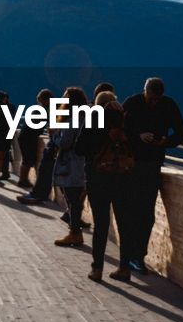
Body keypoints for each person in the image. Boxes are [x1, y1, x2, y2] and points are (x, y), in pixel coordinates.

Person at [121, 77, 183, 273]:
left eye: (156, 99)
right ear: (145, 91)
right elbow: (118, 129)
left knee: (146, 213)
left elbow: (182, 132)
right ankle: (130, 255)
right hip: (131, 163)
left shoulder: (168, 105)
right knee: (132, 210)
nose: (153, 103)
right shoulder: (132, 103)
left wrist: (166, 141)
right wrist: (138, 136)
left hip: (151, 165)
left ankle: (137, 256)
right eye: (151, 99)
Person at [79, 91, 134, 282]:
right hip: (122, 177)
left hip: (98, 178)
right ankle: (125, 268)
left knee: (101, 224)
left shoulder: (94, 117)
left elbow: (81, 147)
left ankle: (97, 268)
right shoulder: (126, 118)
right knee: (124, 223)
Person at [52, 86, 90, 247]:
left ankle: (75, 233)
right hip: (85, 164)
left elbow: (65, 142)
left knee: (72, 199)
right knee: (77, 200)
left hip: (71, 165)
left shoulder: (73, 119)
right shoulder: (88, 117)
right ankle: (75, 231)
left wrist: (54, 135)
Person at [16, 88, 52, 188]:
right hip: (28, 138)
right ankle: (22, 180)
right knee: (27, 160)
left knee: (26, 160)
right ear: (47, 100)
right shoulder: (41, 110)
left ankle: (23, 180)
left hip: (25, 137)